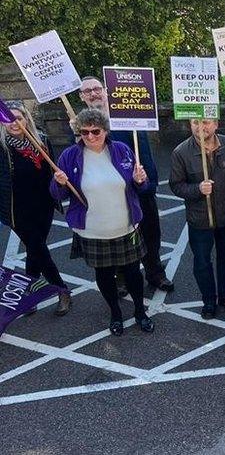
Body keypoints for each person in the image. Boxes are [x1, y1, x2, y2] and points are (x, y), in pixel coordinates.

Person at [51, 109, 154, 336]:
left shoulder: (122, 150)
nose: (90, 137)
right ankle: (115, 313)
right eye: (84, 132)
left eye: (95, 131)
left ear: (105, 130)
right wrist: (59, 183)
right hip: (93, 231)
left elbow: (141, 188)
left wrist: (140, 180)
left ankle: (140, 312)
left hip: (126, 226)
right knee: (104, 275)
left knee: (133, 274)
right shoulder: (69, 156)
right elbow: (58, 195)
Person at [78, 76, 173, 292]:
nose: (93, 93)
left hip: (140, 188)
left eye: (96, 88)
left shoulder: (128, 116)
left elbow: (144, 152)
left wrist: (149, 184)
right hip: (110, 196)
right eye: (87, 91)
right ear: (82, 97)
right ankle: (121, 278)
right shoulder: (81, 125)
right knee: (118, 238)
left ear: (105, 91)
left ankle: (155, 273)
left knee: (150, 234)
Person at [169, 119, 225, 319]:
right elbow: (176, 185)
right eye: (195, 122)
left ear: (217, 124)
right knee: (202, 262)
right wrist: (197, 189)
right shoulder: (180, 152)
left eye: (206, 122)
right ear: (190, 124)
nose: (201, 127)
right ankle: (209, 300)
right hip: (199, 219)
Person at [0, 102, 71, 315]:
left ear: (26, 119)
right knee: (38, 247)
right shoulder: (2, 147)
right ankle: (62, 290)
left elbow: (54, 170)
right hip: (16, 209)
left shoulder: (41, 141)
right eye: (9, 119)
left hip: (44, 203)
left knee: (35, 250)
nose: (14, 123)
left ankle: (30, 293)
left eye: (19, 118)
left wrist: (59, 180)